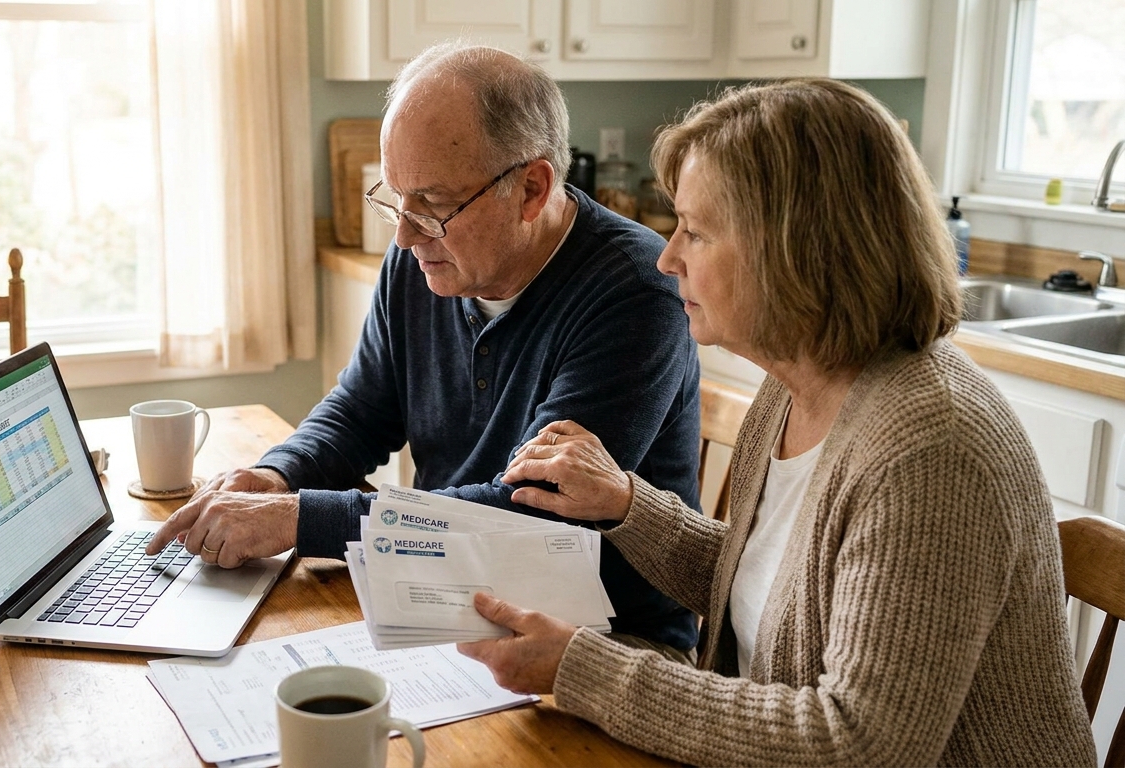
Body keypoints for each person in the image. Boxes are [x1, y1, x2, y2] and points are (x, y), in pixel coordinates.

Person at [456, 78, 1098, 766]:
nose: (668, 258)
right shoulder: (796, 384)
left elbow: (856, 743)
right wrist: (629, 506)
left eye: (696, 232)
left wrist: (581, 668)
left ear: (795, 248)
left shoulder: (931, 447)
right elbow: (777, 591)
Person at [146, 41, 703, 652]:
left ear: (532, 189)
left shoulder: (636, 292)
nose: (407, 234)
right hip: (445, 595)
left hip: (606, 643)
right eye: (396, 200)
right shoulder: (421, 256)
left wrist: (300, 518)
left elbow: (534, 517)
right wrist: (276, 476)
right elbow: (360, 410)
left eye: (433, 205)